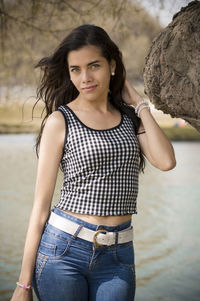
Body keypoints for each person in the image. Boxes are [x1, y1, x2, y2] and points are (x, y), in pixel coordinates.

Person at [10, 24, 176, 301]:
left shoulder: (130, 119)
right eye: (75, 69)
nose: (84, 77)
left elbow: (166, 161)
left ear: (112, 64)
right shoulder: (60, 121)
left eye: (94, 66)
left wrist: (138, 103)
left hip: (119, 255)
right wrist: (23, 284)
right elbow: (40, 208)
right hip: (63, 252)